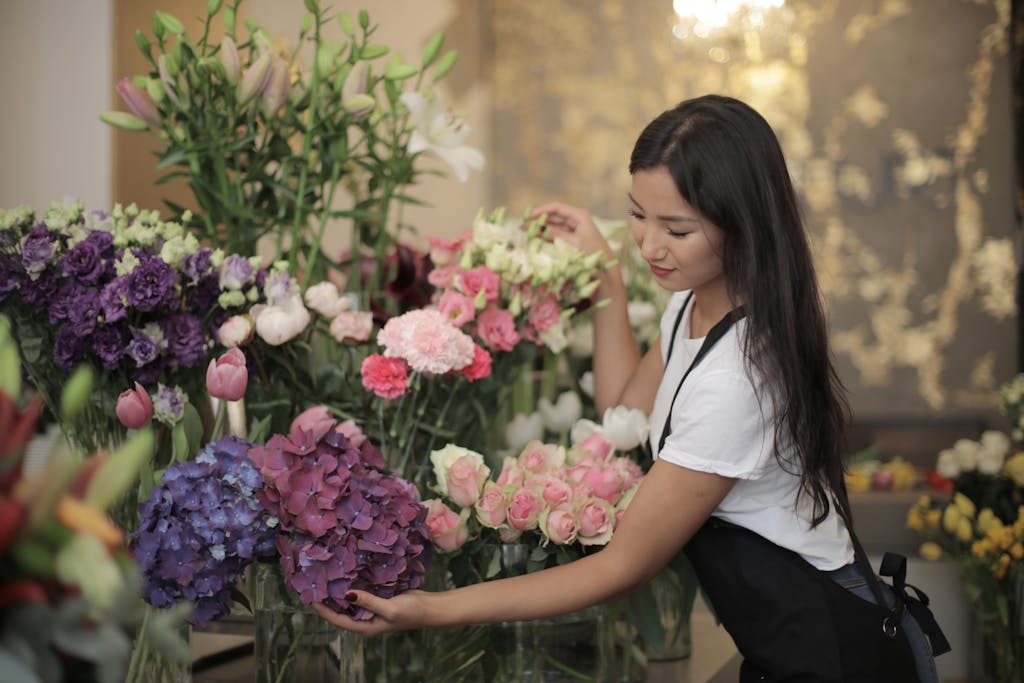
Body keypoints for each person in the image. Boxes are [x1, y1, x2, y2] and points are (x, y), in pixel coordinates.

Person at [314, 94, 942, 682]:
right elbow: (625, 412)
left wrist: (430, 609)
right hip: (782, 640)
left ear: (742, 222)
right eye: (638, 215)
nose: (648, 244)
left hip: (830, 649)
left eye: (676, 228)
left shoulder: (740, 378)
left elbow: (622, 567)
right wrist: (608, 280)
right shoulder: (697, 304)